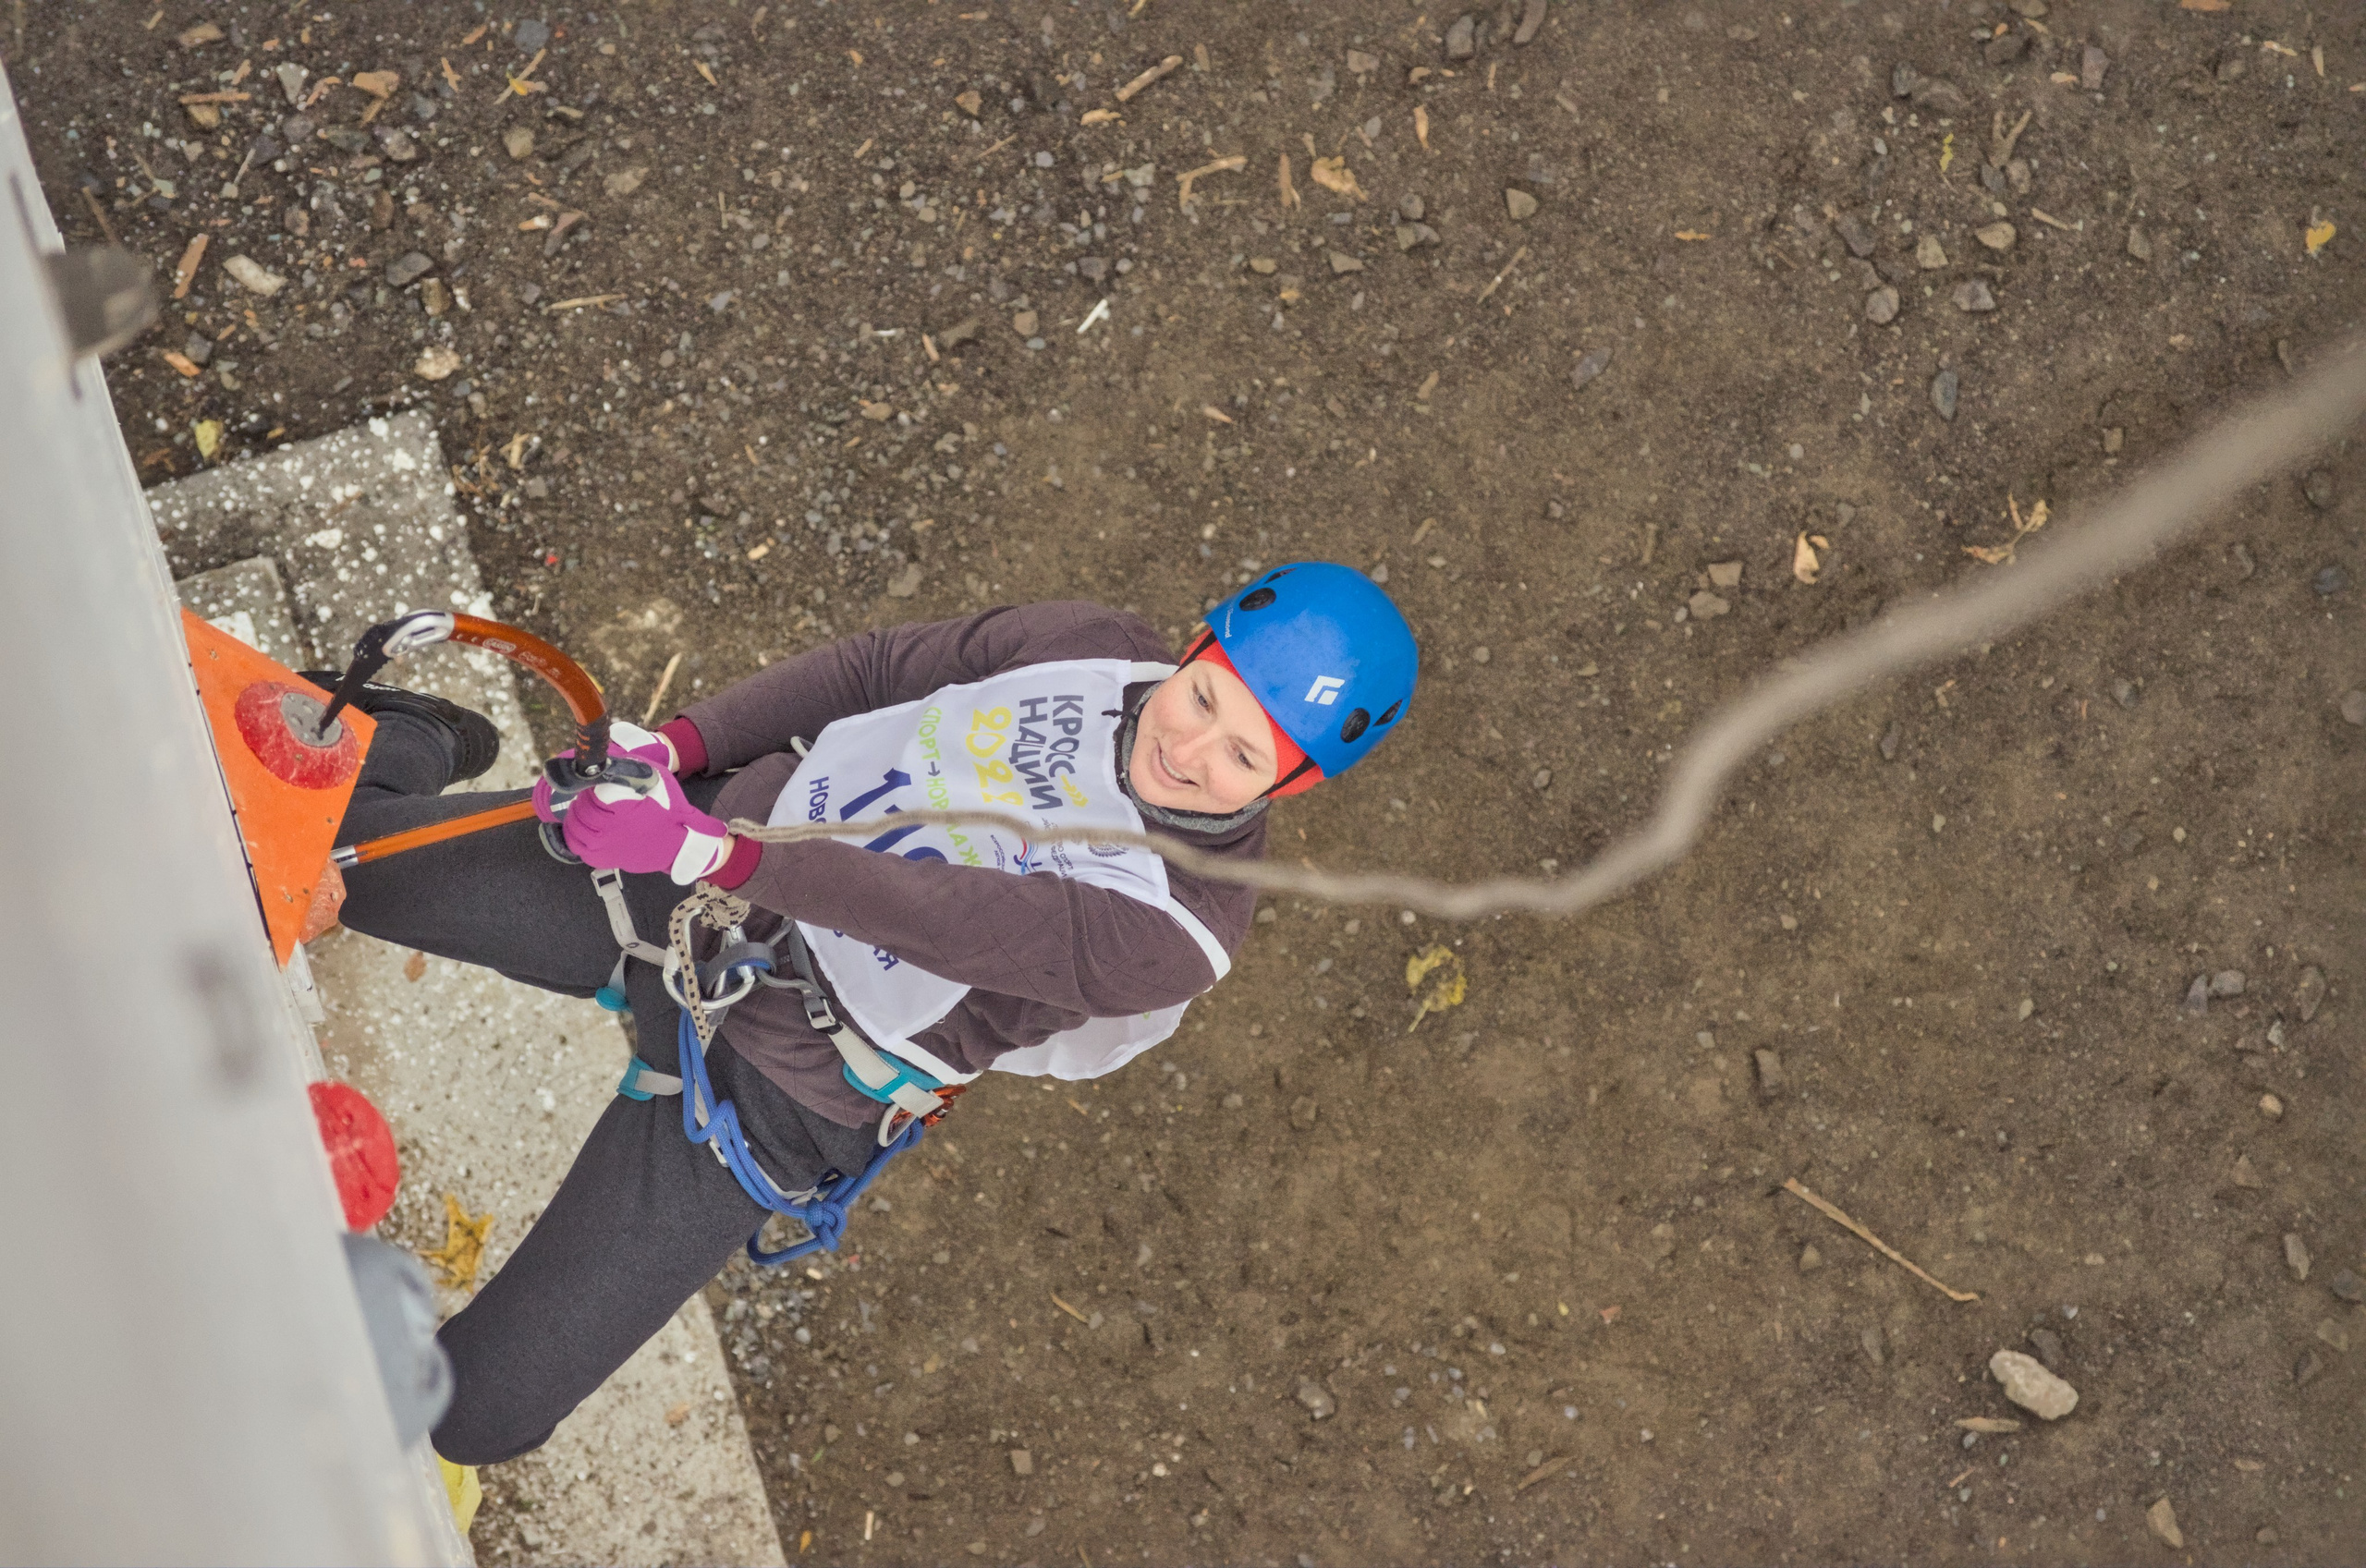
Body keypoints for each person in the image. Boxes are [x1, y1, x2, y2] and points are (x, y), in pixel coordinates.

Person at [324, 563, 1418, 1466]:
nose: (1189, 749)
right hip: (694, 882)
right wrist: (682, 752)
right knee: (337, 863)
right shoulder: (1089, 643)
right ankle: (412, 748)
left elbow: (956, 917)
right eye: (1207, 698)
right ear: (1194, 646)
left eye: (1244, 758)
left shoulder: (1177, 927)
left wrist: (711, 847)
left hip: (781, 1088)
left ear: (1294, 786)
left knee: (473, 1410)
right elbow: (877, 670)